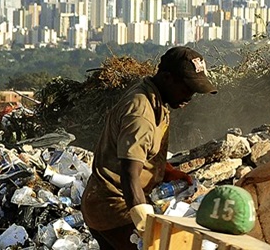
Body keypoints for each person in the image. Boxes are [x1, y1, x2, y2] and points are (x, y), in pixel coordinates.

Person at [81, 46, 218, 249]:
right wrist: (145, 224)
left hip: (107, 203)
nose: (190, 96)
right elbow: (129, 173)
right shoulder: (141, 112)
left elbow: (141, 154)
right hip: (114, 209)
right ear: (167, 77)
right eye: (186, 88)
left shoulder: (155, 99)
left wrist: (167, 172)